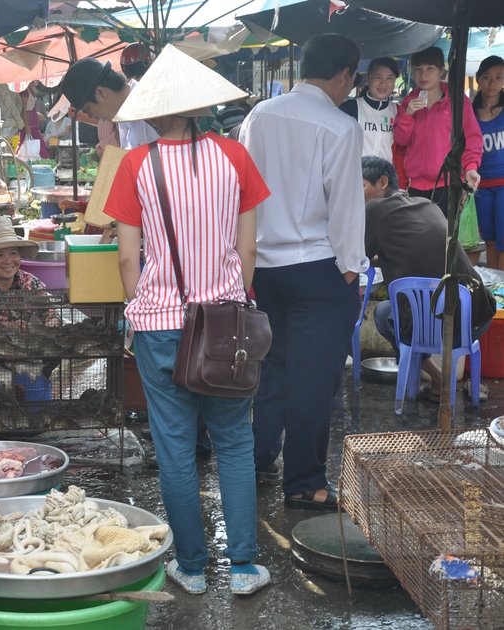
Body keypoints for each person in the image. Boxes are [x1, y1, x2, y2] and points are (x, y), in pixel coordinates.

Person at [105, 44, 270, 597]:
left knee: (174, 446)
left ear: (153, 111)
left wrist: (142, 308)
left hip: (159, 324)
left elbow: (129, 258)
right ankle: (244, 568)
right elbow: (248, 252)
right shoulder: (235, 156)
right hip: (226, 320)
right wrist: (231, 294)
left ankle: (193, 568)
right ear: (198, 106)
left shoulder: (135, 165)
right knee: (234, 443)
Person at [239, 33, 366, 511]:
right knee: (313, 378)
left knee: (274, 368)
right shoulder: (339, 126)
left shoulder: (258, 117)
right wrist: (350, 268)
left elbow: (242, 192)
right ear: (345, 76)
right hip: (317, 267)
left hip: (265, 268)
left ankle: (257, 457)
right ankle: (305, 482)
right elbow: (346, 208)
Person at [362, 156, 495, 400]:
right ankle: (440, 380)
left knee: (384, 314)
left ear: (382, 182)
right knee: (413, 312)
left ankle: (437, 378)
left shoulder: (373, 209)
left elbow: (359, 258)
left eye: (362, 186)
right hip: (475, 319)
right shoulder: (428, 204)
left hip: (431, 328)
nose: (358, 194)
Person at [393, 46, 483, 216]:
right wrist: (407, 116)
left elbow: (471, 139)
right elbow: (401, 140)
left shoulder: (456, 100)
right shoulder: (408, 101)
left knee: (443, 239)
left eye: (430, 69)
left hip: (447, 184)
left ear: (441, 70)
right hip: (415, 187)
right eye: (418, 69)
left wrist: (471, 167)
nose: (423, 75)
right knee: (418, 239)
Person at [57, 57, 158, 151]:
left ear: (101, 93)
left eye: (87, 109)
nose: (91, 116)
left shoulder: (153, 107)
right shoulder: (122, 117)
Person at [472, 55, 504, 270]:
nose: (492, 83)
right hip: (480, 187)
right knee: (490, 241)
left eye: (498, 77)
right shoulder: (469, 113)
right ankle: (494, 293)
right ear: (478, 79)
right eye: (486, 77)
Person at [340, 57, 400, 161]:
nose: (383, 83)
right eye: (378, 77)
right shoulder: (350, 108)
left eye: (389, 78)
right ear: (368, 79)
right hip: (356, 175)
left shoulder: (398, 111)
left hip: (387, 175)